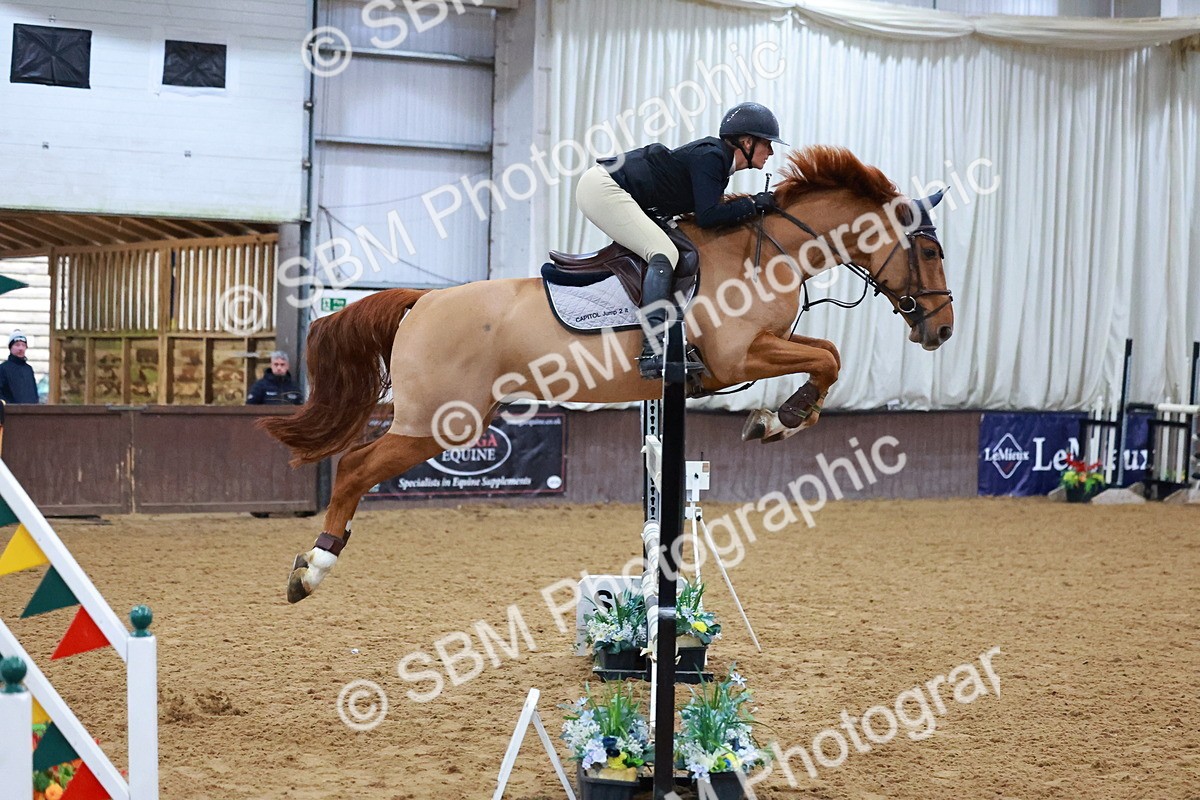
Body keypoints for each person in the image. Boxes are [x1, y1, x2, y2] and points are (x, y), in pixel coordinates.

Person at [575, 101, 787, 378]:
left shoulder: (718, 162)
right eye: (767, 143)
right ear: (746, 142)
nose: (771, 151)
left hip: (624, 192)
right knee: (663, 252)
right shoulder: (712, 157)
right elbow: (708, 216)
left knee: (677, 248)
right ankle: (652, 349)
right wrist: (753, 204)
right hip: (604, 188)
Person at [0, 330, 39, 404]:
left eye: (23, 345)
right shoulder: (3, 369)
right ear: (10, 348)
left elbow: (34, 394)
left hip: (30, 412)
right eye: (17, 345)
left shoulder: (28, 369)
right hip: (10, 413)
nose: (21, 348)